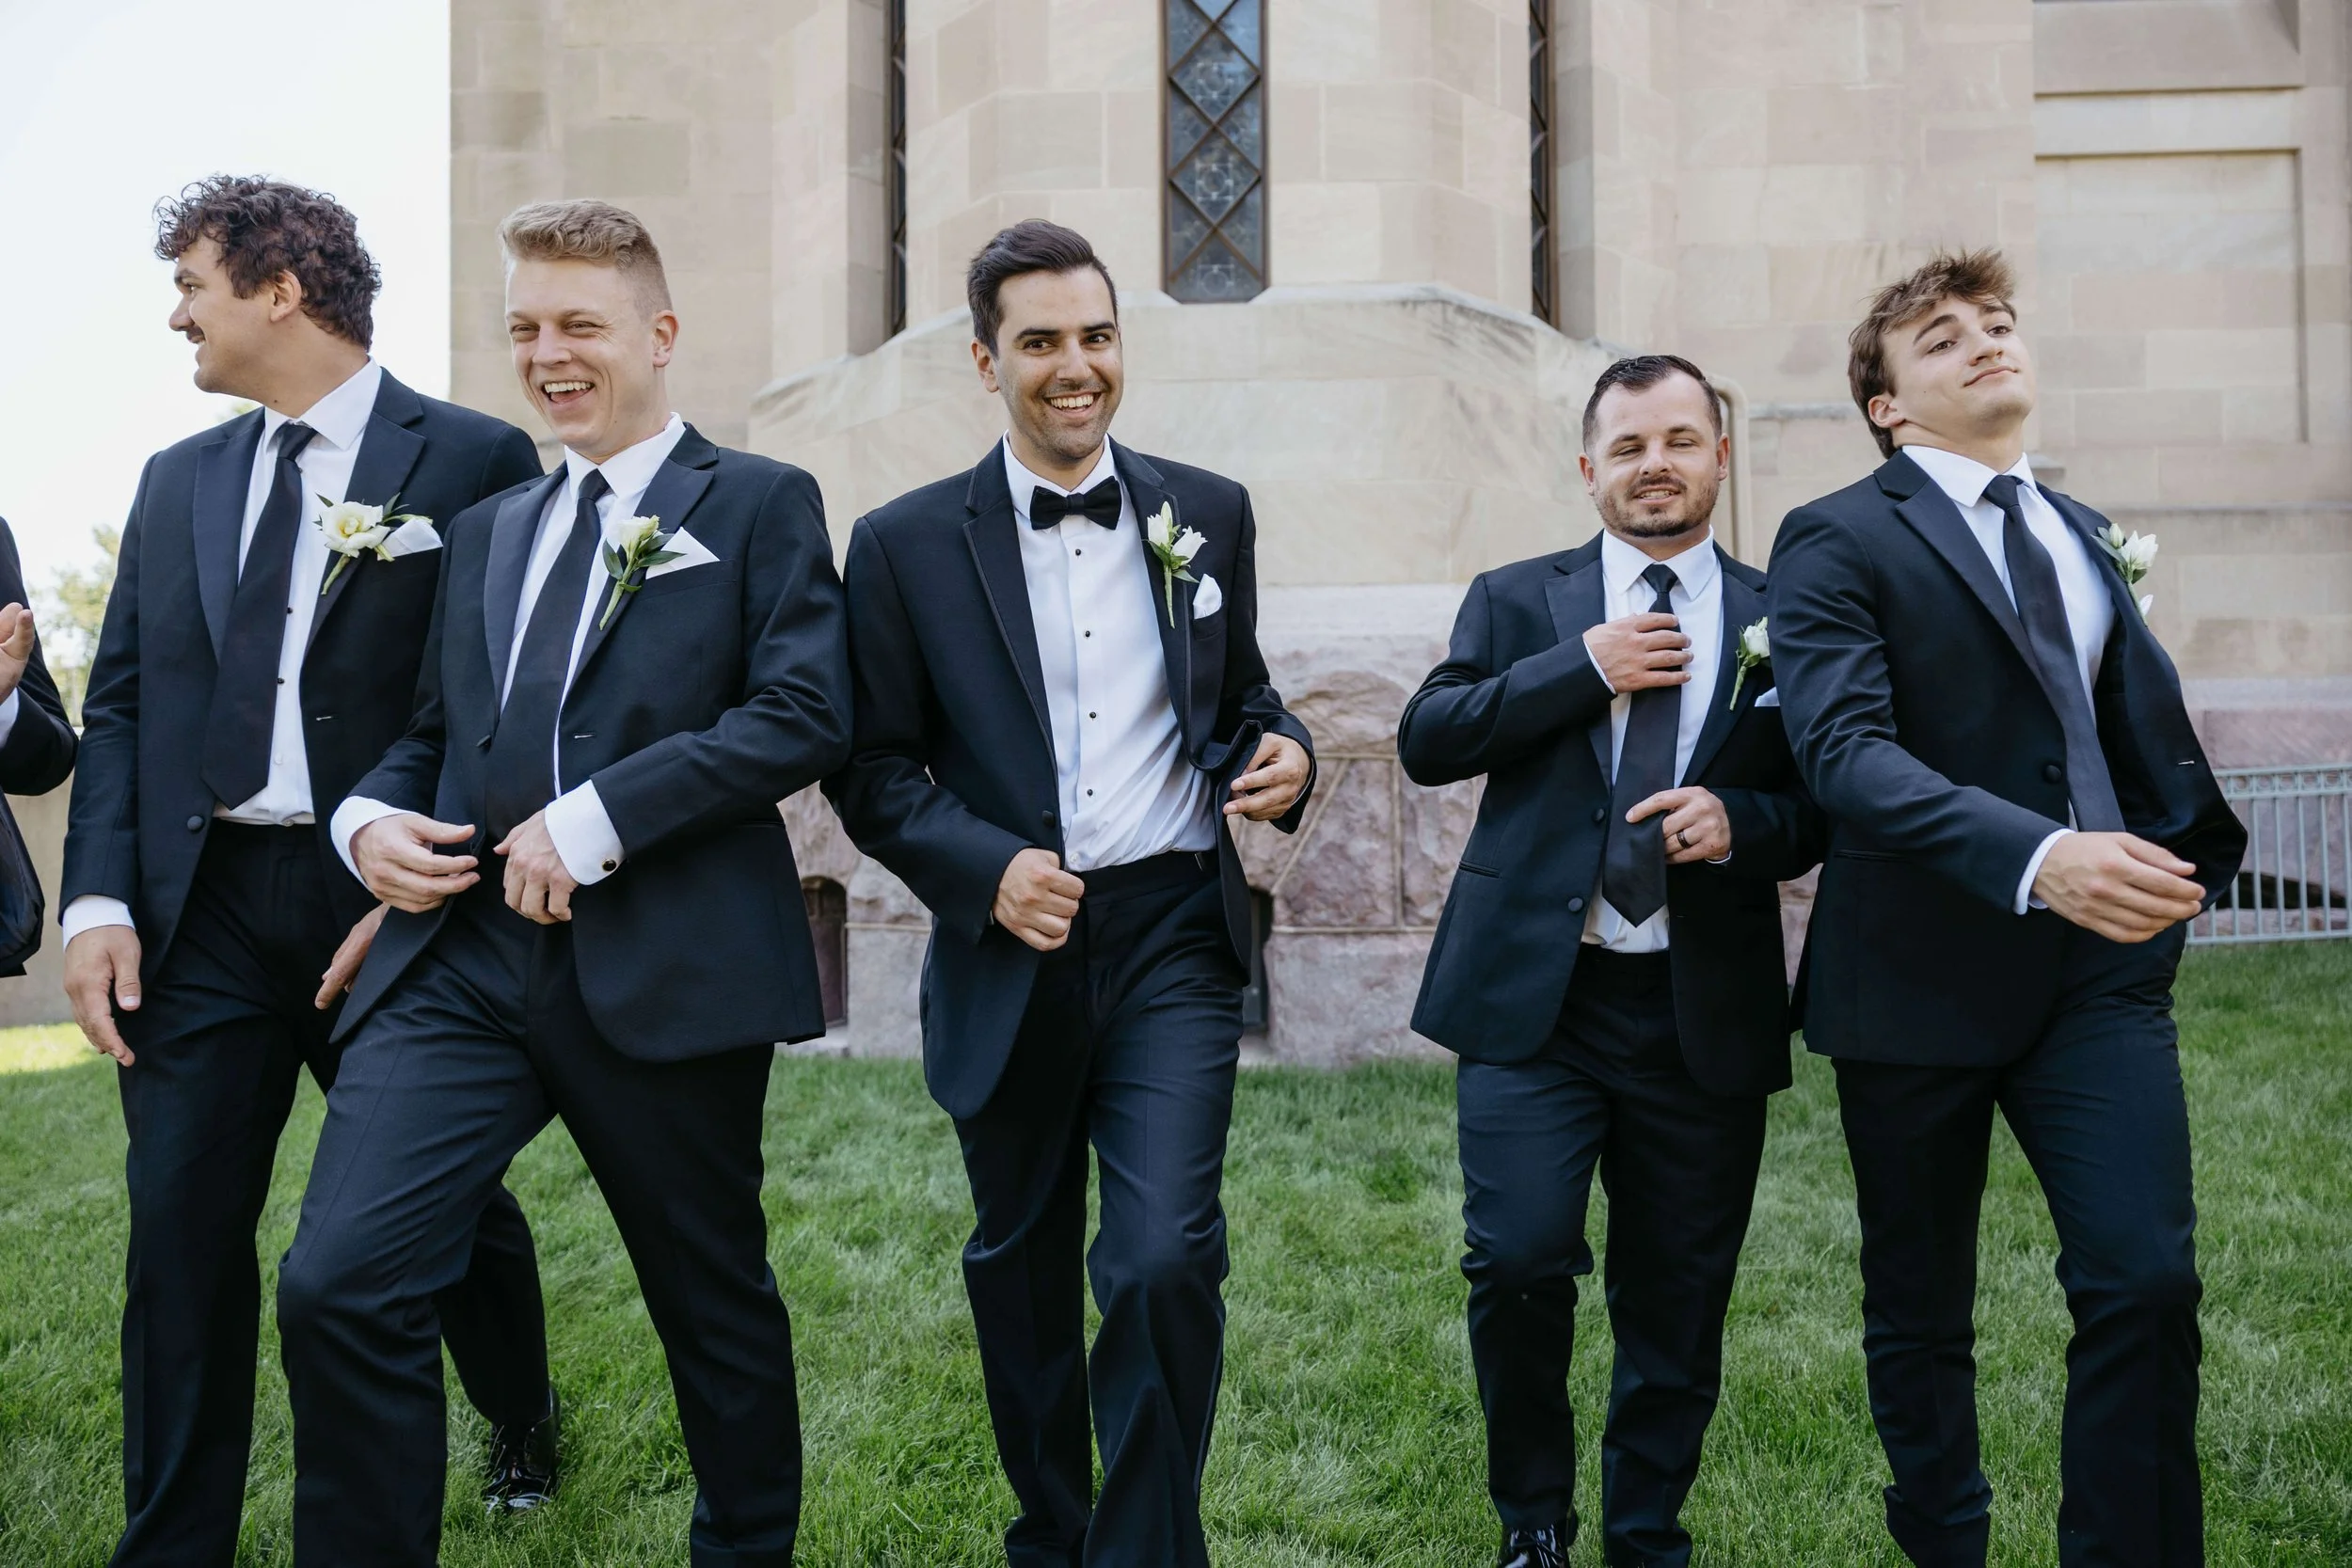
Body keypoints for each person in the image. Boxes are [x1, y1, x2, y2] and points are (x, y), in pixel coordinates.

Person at [272, 198, 849, 1568]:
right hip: (462, 963)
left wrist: (596, 819)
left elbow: (803, 710)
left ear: (658, 332)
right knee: (338, 1280)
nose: (549, 354)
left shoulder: (758, 501)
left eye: (579, 324)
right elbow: (435, 729)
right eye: (524, 328)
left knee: (709, 1298)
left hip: (665, 960)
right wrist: (367, 823)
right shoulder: (491, 525)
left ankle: (746, 1546)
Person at [59, 176, 557, 1564]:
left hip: (386, 902)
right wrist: (98, 899)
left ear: (281, 289)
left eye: (195, 286)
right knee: (178, 1235)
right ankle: (172, 1543)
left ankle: (519, 1413)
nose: (178, 316)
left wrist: (417, 878)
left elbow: (498, 699)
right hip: (201, 911)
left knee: (444, 1213)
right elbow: (123, 711)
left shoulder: (473, 459)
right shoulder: (178, 480)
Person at [824, 219, 1315, 1568]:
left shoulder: (1205, 510)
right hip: (1009, 948)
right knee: (1022, 1263)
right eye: (1039, 341)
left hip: (1170, 936)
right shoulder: (905, 543)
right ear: (987, 360)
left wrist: (1287, 751)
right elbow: (869, 769)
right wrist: (988, 869)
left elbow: (1248, 692)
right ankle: (1052, 1528)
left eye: (1095, 336)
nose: (1074, 366)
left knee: (1162, 1256)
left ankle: (1147, 1549)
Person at [1766, 249, 2247, 1567]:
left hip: (2100, 975)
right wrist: (2043, 856)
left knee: (2147, 1278)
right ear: (1887, 403)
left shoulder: (2083, 530)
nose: (1986, 343)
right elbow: (1845, 755)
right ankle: (1947, 1547)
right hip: (1913, 971)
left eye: (1999, 323)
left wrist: (2155, 858)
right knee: (1922, 1312)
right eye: (1942, 337)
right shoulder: (1835, 535)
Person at [1400, 355, 1825, 1568]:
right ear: (1589, 469)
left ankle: (1647, 1533)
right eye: (1630, 446)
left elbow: (1828, 797)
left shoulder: (1783, 612)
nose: (1656, 465)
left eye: (1680, 441)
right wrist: (1580, 668)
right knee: (1521, 1259)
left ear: (1719, 459)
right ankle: (1533, 1518)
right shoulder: (1517, 597)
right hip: (1540, 1000)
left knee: (1677, 1294)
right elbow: (1430, 737)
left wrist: (1751, 826)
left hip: (1703, 1005)